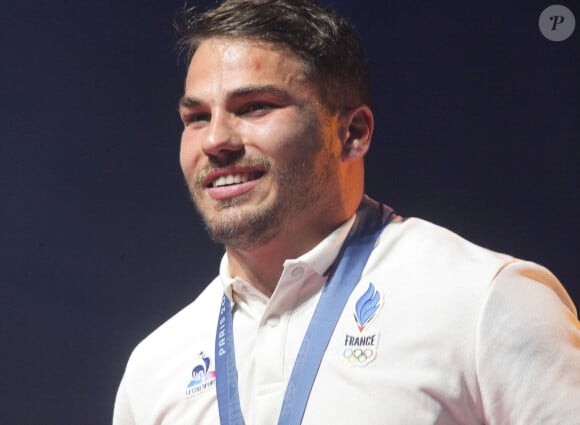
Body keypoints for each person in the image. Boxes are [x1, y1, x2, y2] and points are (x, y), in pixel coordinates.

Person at [113, 0, 580, 424]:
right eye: (196, 117)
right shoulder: (155, 368)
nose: (215, 141)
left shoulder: (486, 302)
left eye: (254, 107)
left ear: (352, 133)